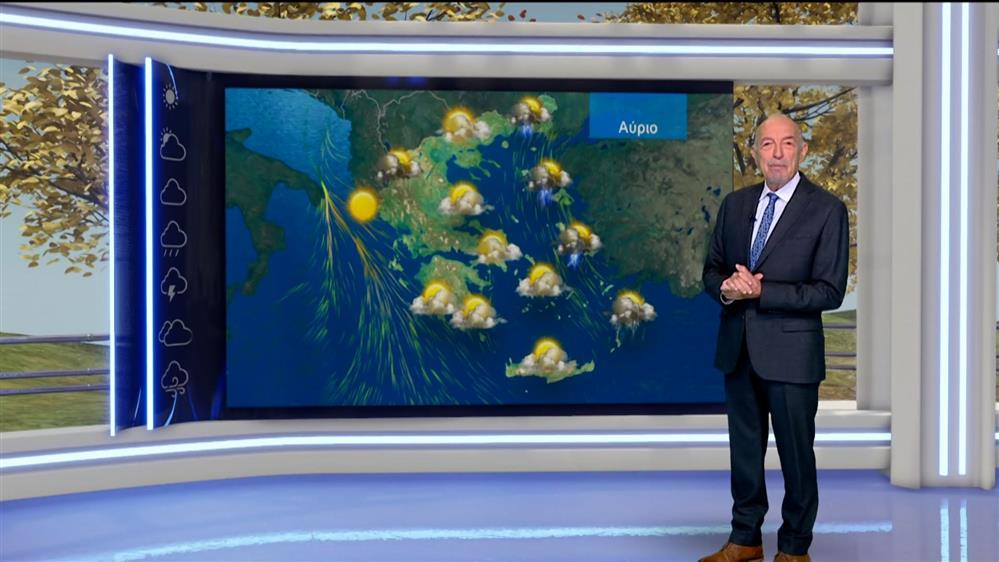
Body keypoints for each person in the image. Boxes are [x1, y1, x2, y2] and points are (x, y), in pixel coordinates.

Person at [699, 114, 849, 562]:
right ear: (755, 153)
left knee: (796, 457)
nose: (777, 153)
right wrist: (728, 289)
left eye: (787, 143)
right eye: (767, 144)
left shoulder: (827, 210)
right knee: (744, 454)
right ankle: (745, 539)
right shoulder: (735, 205)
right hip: (739, 351)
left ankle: (794, 547)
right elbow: (712, 270)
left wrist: (762, 291)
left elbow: (830, 291)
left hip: (792, 355)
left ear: (803, 151)